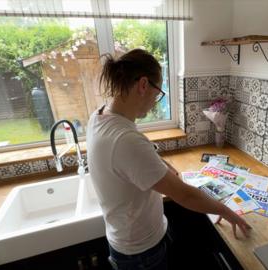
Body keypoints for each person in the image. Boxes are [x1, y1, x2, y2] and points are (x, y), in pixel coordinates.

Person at [86, 49, 251, 270]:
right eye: (158, 93)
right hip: (141, 252)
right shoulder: (125, 140)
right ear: (143, 85)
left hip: (125, 241)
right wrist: (226, 211)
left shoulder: (100, 115)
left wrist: (160, 164)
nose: (155, 101)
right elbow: (184, 194)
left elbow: (131, 159)